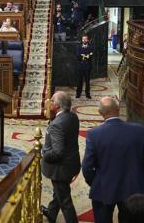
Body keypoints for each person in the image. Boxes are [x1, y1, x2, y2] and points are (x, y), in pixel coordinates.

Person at [81, 95, 144, 223]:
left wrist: (96, 181)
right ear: (118, 109)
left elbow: (87, 167)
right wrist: (136, 176)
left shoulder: (94, 134)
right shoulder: (138, 130)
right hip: (133, 188)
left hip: (103, 188)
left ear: (100, 113)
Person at [41, 91, 81, 223]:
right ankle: (52, 214)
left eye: (51, 101)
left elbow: (57, 153)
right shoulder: (73, 116)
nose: (49, 102)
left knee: (65, 200)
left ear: (57, 106)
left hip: (60, 169)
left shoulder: (57, 124)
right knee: (59, 192)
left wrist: (44, 155)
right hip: (71, 164)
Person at [76, 34, 93, 99]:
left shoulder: (90, 47)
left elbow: (91, 56)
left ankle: (87, 94)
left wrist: (83, 55)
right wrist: (87, 55)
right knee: (79, 81)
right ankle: (78, 93)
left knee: (87, 81)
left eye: (85, 39)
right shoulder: (78, 47)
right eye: (83, 39)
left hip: (88, 66)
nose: (84, 40)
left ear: (87, 40)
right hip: (80, 66)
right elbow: (78, 55)